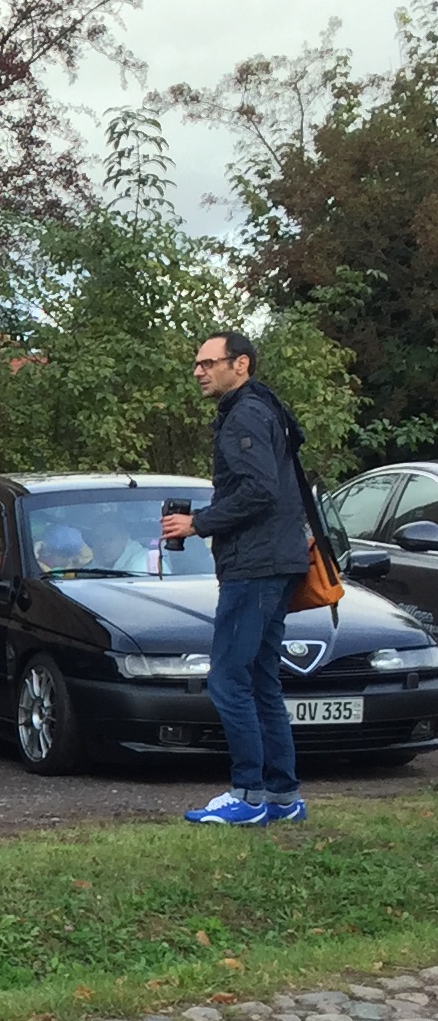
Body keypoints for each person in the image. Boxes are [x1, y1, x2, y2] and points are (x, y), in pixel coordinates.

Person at [160, 330, 312, 825]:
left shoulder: (244, 414)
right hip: (278, 561)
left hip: (255, 565)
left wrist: (199, 523)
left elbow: (259, 491)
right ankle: (282, 796)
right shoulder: (265, 407)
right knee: (262, 680)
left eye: (209, 363)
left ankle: (247, 796)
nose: (199, 372)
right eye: (197, 364)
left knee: (228, 679)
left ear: (240, 364)